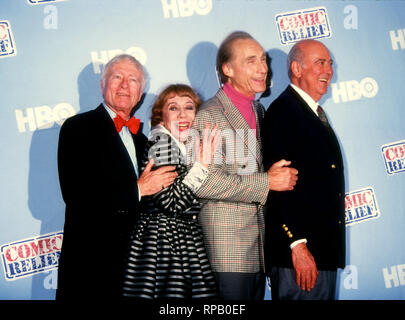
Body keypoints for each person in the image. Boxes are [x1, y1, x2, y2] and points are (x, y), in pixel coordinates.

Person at [56, 54, 177, 300]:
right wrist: (138, 189)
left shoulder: (145, 141)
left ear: (140, 92)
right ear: (102, 85)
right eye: (117, 77)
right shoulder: (77, 128)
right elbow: (76, 195)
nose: (124, 85)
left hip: (137, 274)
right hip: (91, 271)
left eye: (133, 80)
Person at [189, 31, 298, 300]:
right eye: (252, 61)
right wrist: (267, 182)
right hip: (227, 251)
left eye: (264, 60)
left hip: (258, 249)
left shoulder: (259, 111)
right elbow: (203, 181)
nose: (263, 69)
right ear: (227, 69)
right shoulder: (210, 114)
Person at [262, 39, 346, 300]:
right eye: (320, 62)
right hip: (299, 258)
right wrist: (296, 244)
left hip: (320, 253)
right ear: (297, 69)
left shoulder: (311, 112)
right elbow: (276, 186)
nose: (329, 70)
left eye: (330, 63)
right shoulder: (284, 112)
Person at [122, 84, 219, 299]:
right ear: (161, 116)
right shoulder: (161, 142)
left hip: (183, 238)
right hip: (163, 243)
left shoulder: (183, 146)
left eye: (189, 107)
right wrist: (202, 165)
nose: (183, 114)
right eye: (173, 108)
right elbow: (171, 202)